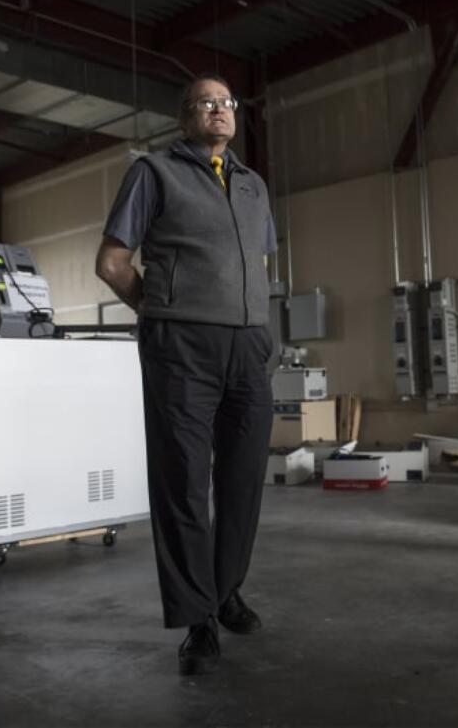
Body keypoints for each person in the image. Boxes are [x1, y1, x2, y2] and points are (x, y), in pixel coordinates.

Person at [95, 72, 277, 675]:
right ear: (184, 115)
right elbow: (112, 262)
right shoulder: (154, 172)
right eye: (207, 102)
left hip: (249, 346)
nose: (220, 110)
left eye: (227, 102)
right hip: (182, 346)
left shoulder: (253, 186)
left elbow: (258, 262)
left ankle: (225, 593)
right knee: (183, 484)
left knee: (244, 480)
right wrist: (161, 309)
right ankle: (197, 619)